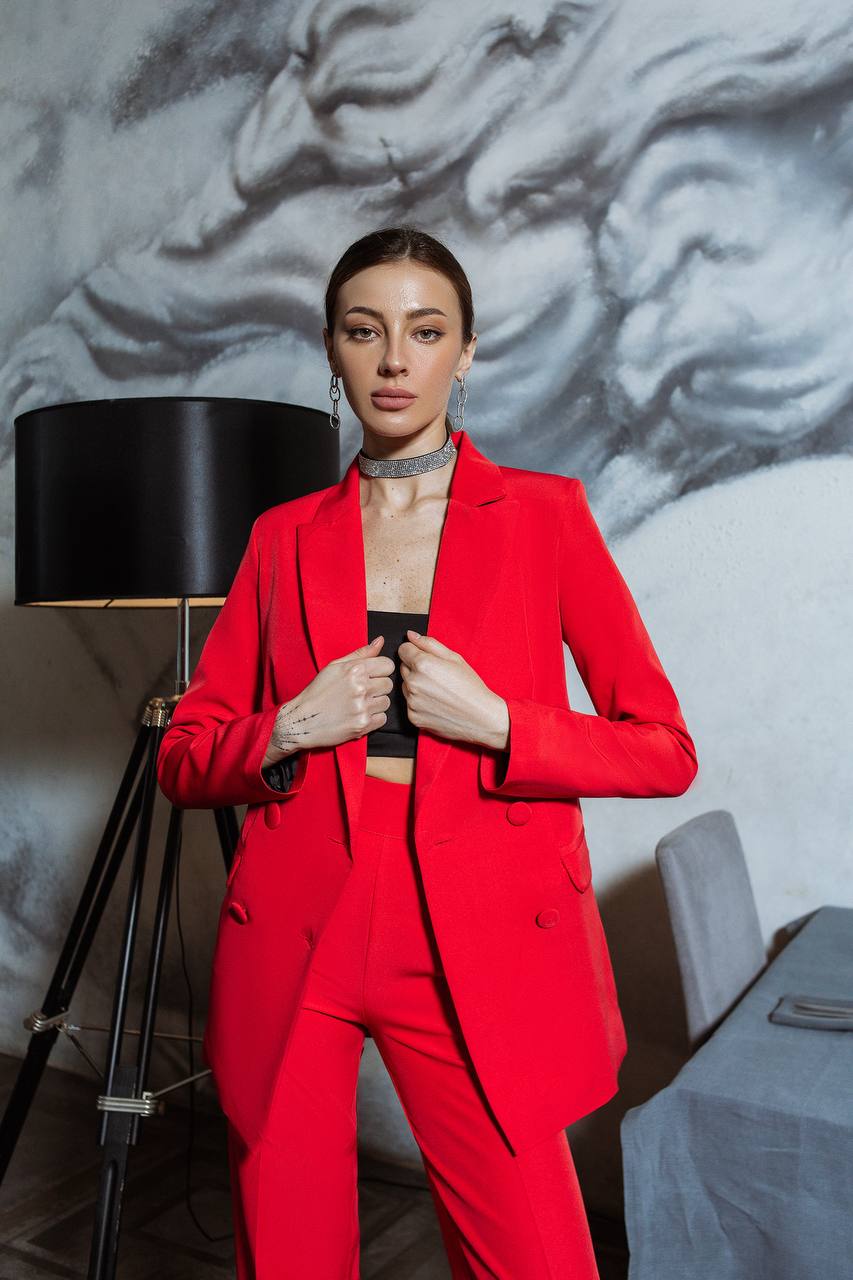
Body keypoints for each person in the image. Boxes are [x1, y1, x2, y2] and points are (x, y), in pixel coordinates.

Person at [156, 224, 699, 1278]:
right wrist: (287, 727)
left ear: (467, 349)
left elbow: (663, 749)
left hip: (476, 924)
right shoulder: (281, 535)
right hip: (300, 920)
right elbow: (184, 756)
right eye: (365, 331)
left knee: (534, 1258)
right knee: (289, 1254)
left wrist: (500, 723)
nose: (395, 359)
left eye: (425, 330)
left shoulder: (544, 516)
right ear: (332, 349)